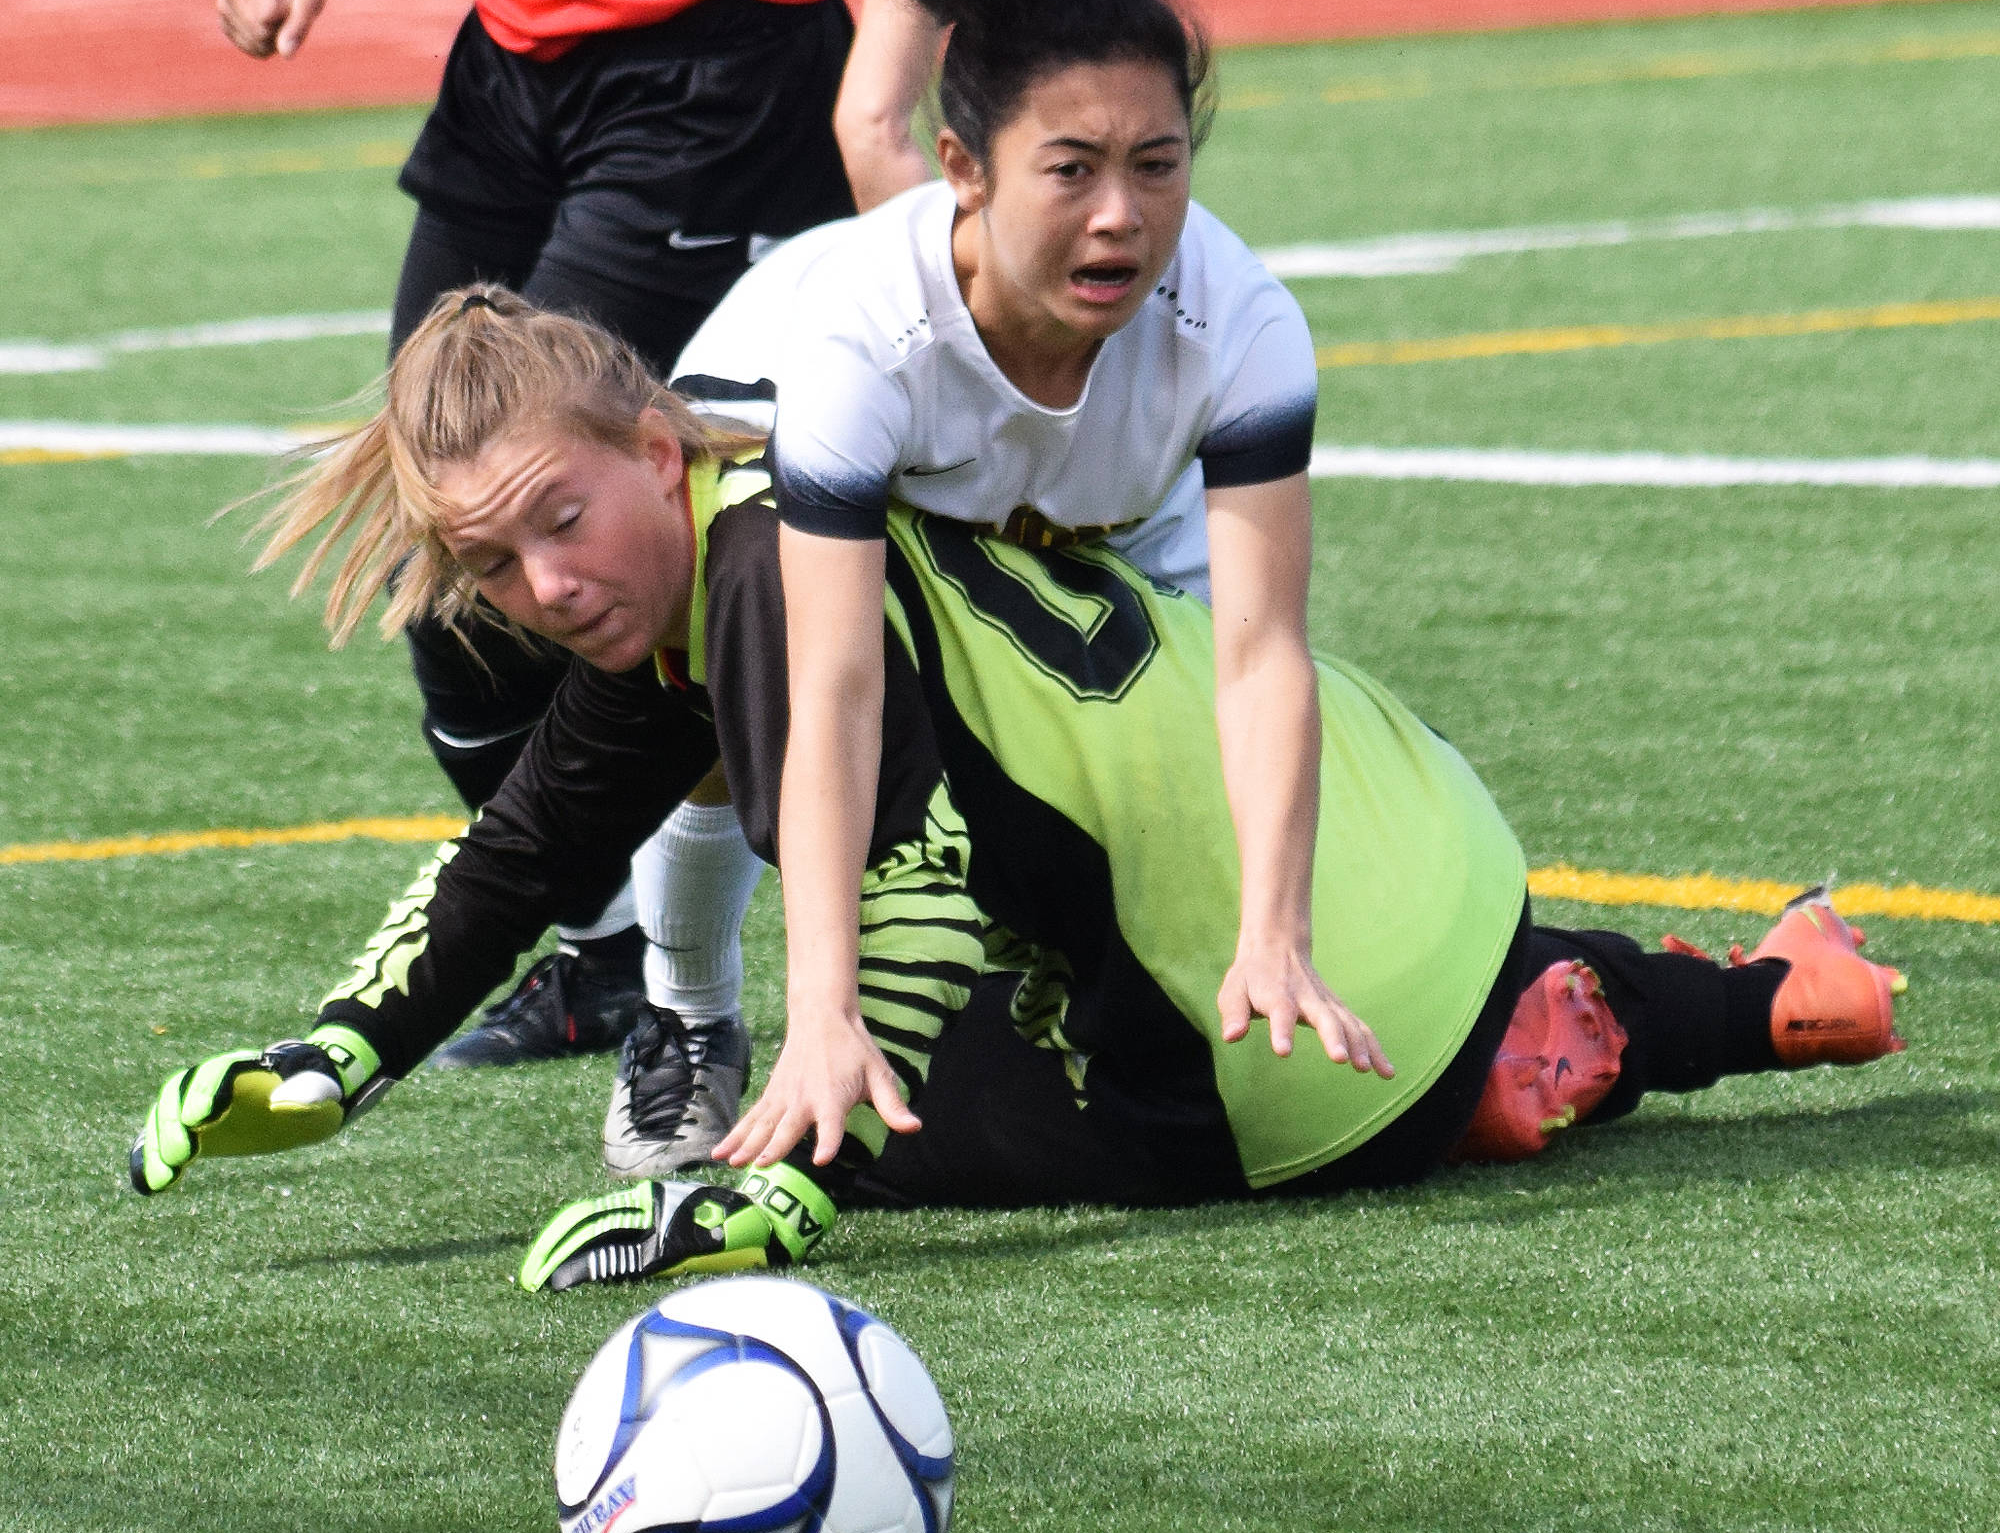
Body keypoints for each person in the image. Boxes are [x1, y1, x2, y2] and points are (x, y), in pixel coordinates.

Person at [127, 293, 1909, 1296]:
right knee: (992, 981)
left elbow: (907, 875)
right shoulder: (758, 516)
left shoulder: (754, 581)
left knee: (887, 1097)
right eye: (496, 561)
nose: (544, 582)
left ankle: (1483, 1089)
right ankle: (1752, 1002)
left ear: (655, 449)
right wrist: (335, 1056)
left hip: (1263, 1056)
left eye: (562, 517)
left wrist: (797, 1184)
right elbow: (524, 848)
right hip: (1396, 846)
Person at [625, 0, 1392, 1178]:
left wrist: (1274, 935)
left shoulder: (1241, 329)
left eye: (1160, 165)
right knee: (726, 699)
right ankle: (681, 1011)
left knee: (1124, 767)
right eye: (1076, 169)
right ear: (968, 170)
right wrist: (822, 1011)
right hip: (817, 431)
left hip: (1081, 513)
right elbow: (833, 692)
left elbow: (1257, 659)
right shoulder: (849, 346)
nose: (1125, 212)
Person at [213, 0, 944, 1146]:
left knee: (635, 564)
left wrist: (875, 109)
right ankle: (603, 953)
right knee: (452, 563)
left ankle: (693, 995)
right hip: (513, 76)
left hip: (717, 83)